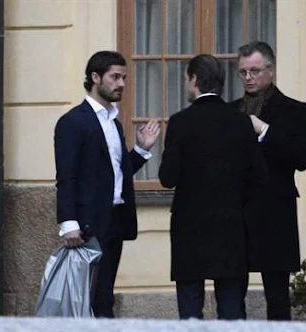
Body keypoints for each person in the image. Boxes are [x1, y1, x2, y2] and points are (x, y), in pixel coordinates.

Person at [53, 50, 160, 318]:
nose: (122, 83)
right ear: (95, 77)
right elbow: (67, 176)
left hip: (114, 221)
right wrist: (68, 223)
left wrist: (141, 151)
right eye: (115, 77)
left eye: (124, 77)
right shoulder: (72, 122)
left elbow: (115, 174)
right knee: (90, 300)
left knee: (104, 298)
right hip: (89, 226)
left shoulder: (113, 123)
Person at [159, 54, 266, 320]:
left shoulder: (180, 122)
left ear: (194, 79)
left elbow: (168, 177)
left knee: (190, 307)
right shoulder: (241, 121)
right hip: (230, 225)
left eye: (187, 79)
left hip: (189, 226)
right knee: (230, 307)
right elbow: (259, 177)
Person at [230, 41, 306, 320]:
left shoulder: (294, 110)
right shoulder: (230, 111)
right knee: (232, 293)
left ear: (271, 70)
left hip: (274, 213)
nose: (248, 78)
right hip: (236, 212)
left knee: (277, 296)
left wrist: (264, 130)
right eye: (242, 72)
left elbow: (302, 158)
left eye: (254, 71)